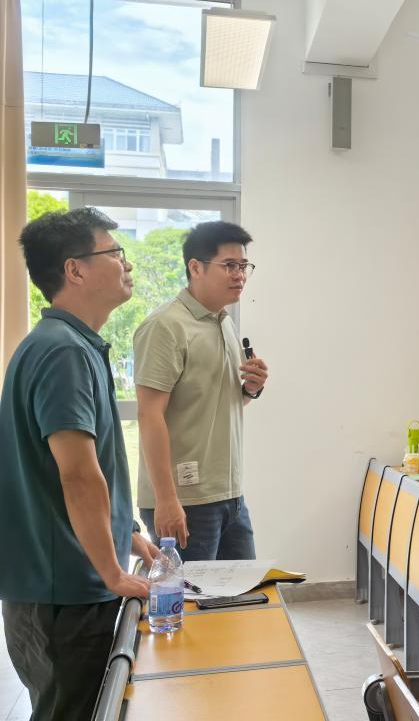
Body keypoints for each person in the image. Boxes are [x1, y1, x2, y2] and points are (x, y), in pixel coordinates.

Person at [0, 208, 157, 721]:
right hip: (64, 593)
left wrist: (125, 533)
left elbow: (72, 471)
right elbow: (77, 474)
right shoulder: (62, 352)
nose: (126, 264)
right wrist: (112, 573)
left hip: (61, 585)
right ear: (75, 270)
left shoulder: (71, 344)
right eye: (115, 253)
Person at [134, 221, 269, 561]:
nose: (240, 275)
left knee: (244, 592)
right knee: (189, 596)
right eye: (229, 265)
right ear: (195, 267)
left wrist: (250, 389)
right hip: (186, 501)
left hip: (229, 495)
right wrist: (166, 499)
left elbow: (215, 403)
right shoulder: (165, 326)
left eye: (244, 266)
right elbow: (149, 415)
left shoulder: (224, 321)